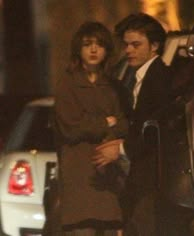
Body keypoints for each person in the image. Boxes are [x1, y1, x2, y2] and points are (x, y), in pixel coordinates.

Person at [46, 21, 128, 236]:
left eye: (99, 45)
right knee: (82, 229)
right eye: (87, 45)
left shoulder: (112, 86)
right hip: (79, 173)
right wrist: (105, 123)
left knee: (110, 227)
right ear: (78, 49)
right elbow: (71, 128)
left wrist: (107, 127)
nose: (93, 50)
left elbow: (123, 123)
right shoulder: (67, 85)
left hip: (108, 174)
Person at [93, 13, 172, 235]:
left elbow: (157, 129)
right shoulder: (139, 77)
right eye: (126, 45)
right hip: (141, 180)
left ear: (155, 45)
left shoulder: (160, 79)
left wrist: (120, 149)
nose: (128, 50)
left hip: (153, 182)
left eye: (136, 45)